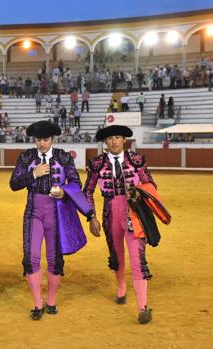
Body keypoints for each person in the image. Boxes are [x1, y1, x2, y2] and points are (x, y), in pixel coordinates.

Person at [9, 120, 93, 320]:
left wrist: (63, 193)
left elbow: (75, 182)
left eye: (45, 140)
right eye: (38, 140)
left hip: (56, 212)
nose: (42, 144)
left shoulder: (63, 157)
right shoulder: (27, 157)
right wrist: (33, 174)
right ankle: (38, 303)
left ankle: (51, 301)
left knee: (55, 259)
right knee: (31, 257)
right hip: (33, 211)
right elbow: (13, 183)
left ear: (53, 139)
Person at [83, 125, 157, 324]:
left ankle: (143, 307)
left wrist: (139, 192)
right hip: (110, 214)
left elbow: (151, 184)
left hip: (133, 213)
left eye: (118, 137)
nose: (114, 141)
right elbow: (87, 191)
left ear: (124, 140)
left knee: (137, 258)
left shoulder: (136, 160)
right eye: (110, 138)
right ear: (105, 143)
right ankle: (122, 287)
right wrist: (91, 217)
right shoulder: (97, 163)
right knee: (116, 255)